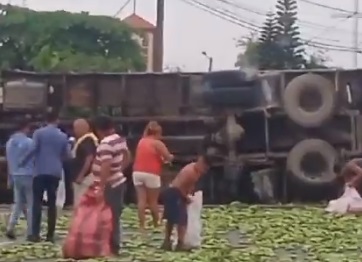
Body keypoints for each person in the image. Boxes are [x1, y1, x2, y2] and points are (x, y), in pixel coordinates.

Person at [22, 111, 69, 243]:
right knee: (52, 204)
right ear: (57, 120)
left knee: (37, 203)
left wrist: (23, 162)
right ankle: (50, 234)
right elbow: (67, 155)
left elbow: (33, 149)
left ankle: (35, 234)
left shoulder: (39, 133)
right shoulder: (63, 136)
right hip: (55, 172)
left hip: (40, 171)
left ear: (45, 120)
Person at [91, 115, 131, 256]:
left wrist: (101, 186)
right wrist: (120, 170)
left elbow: (105, 165)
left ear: (98, 129)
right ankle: (109, 245)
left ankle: (111, 247)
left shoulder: (106, 143)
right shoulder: (119, 139)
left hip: (110, 185)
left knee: (109, 216)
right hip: (117, 181)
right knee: (114, 215)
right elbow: (127, 155)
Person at [161, 154, 211, 251]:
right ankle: (180, 243)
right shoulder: (191, 172)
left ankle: (167, 242)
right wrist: (186, 198)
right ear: (200, 162)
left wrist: (190, 194)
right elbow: (180, 186)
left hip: (173, 191)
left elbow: (189, 185)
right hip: (175, 192)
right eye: (204, 167)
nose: (204, 171)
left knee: (171, 219)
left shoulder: (195, 169)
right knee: (182, 220)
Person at [132, 121, 173, 232]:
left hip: (137, 173)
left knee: (141, 201)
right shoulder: (157, 143)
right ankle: (156, 224)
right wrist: (170, 158)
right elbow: (168, 157)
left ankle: (142, 225)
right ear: (157, 133)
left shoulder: (141, 141)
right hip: (151, 173)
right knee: (153, 201)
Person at [5, 119, 34, 240]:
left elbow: (9, 161)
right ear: (26, 128)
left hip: (15, 175)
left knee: (18, 203)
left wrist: (9, 177)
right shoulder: (29, 142)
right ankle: (32, 230)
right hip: (28, 174)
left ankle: (11, 226)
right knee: (31, 203)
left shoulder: (9, 142)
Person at [72, 119, 98, 206]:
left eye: (76, 128)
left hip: (85, 178)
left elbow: (89, 158)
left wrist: (81, 175)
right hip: (86, 177)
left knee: (81, 203)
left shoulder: (87, 141)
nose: (74, 131)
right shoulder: (86, 140)